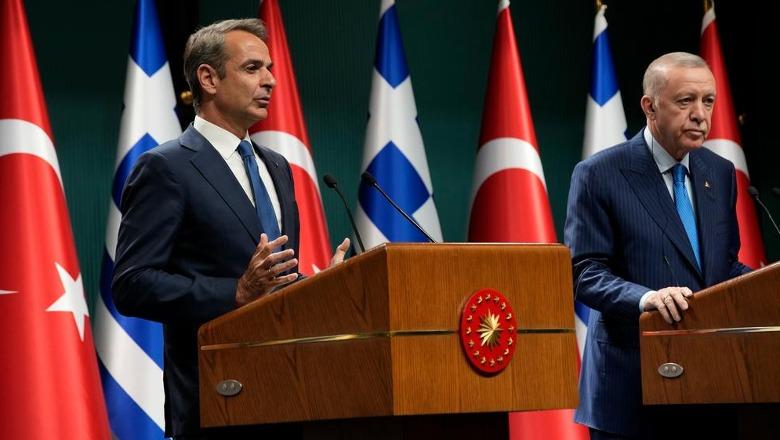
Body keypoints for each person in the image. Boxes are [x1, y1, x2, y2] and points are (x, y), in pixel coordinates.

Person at [112, 18, 349, 439]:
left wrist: (318, 289)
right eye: (253, 68)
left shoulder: (277, 167)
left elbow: (274, 284)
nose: (270, 80)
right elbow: (132, 284)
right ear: (208, 79)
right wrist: (234, 292)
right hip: (215, 402)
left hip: (291, 398)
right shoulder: (166, 168)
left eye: (270, 68)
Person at [564, 52, 750, 439]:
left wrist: (767, 285)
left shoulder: (719, 172)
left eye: (708, 101)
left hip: (711, 387)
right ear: (650, 107)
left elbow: (724, 266)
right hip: (632, 390)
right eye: (686, 101)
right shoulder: (599, 174)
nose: (700, 115)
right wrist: (647, 298)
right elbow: (584, 273)